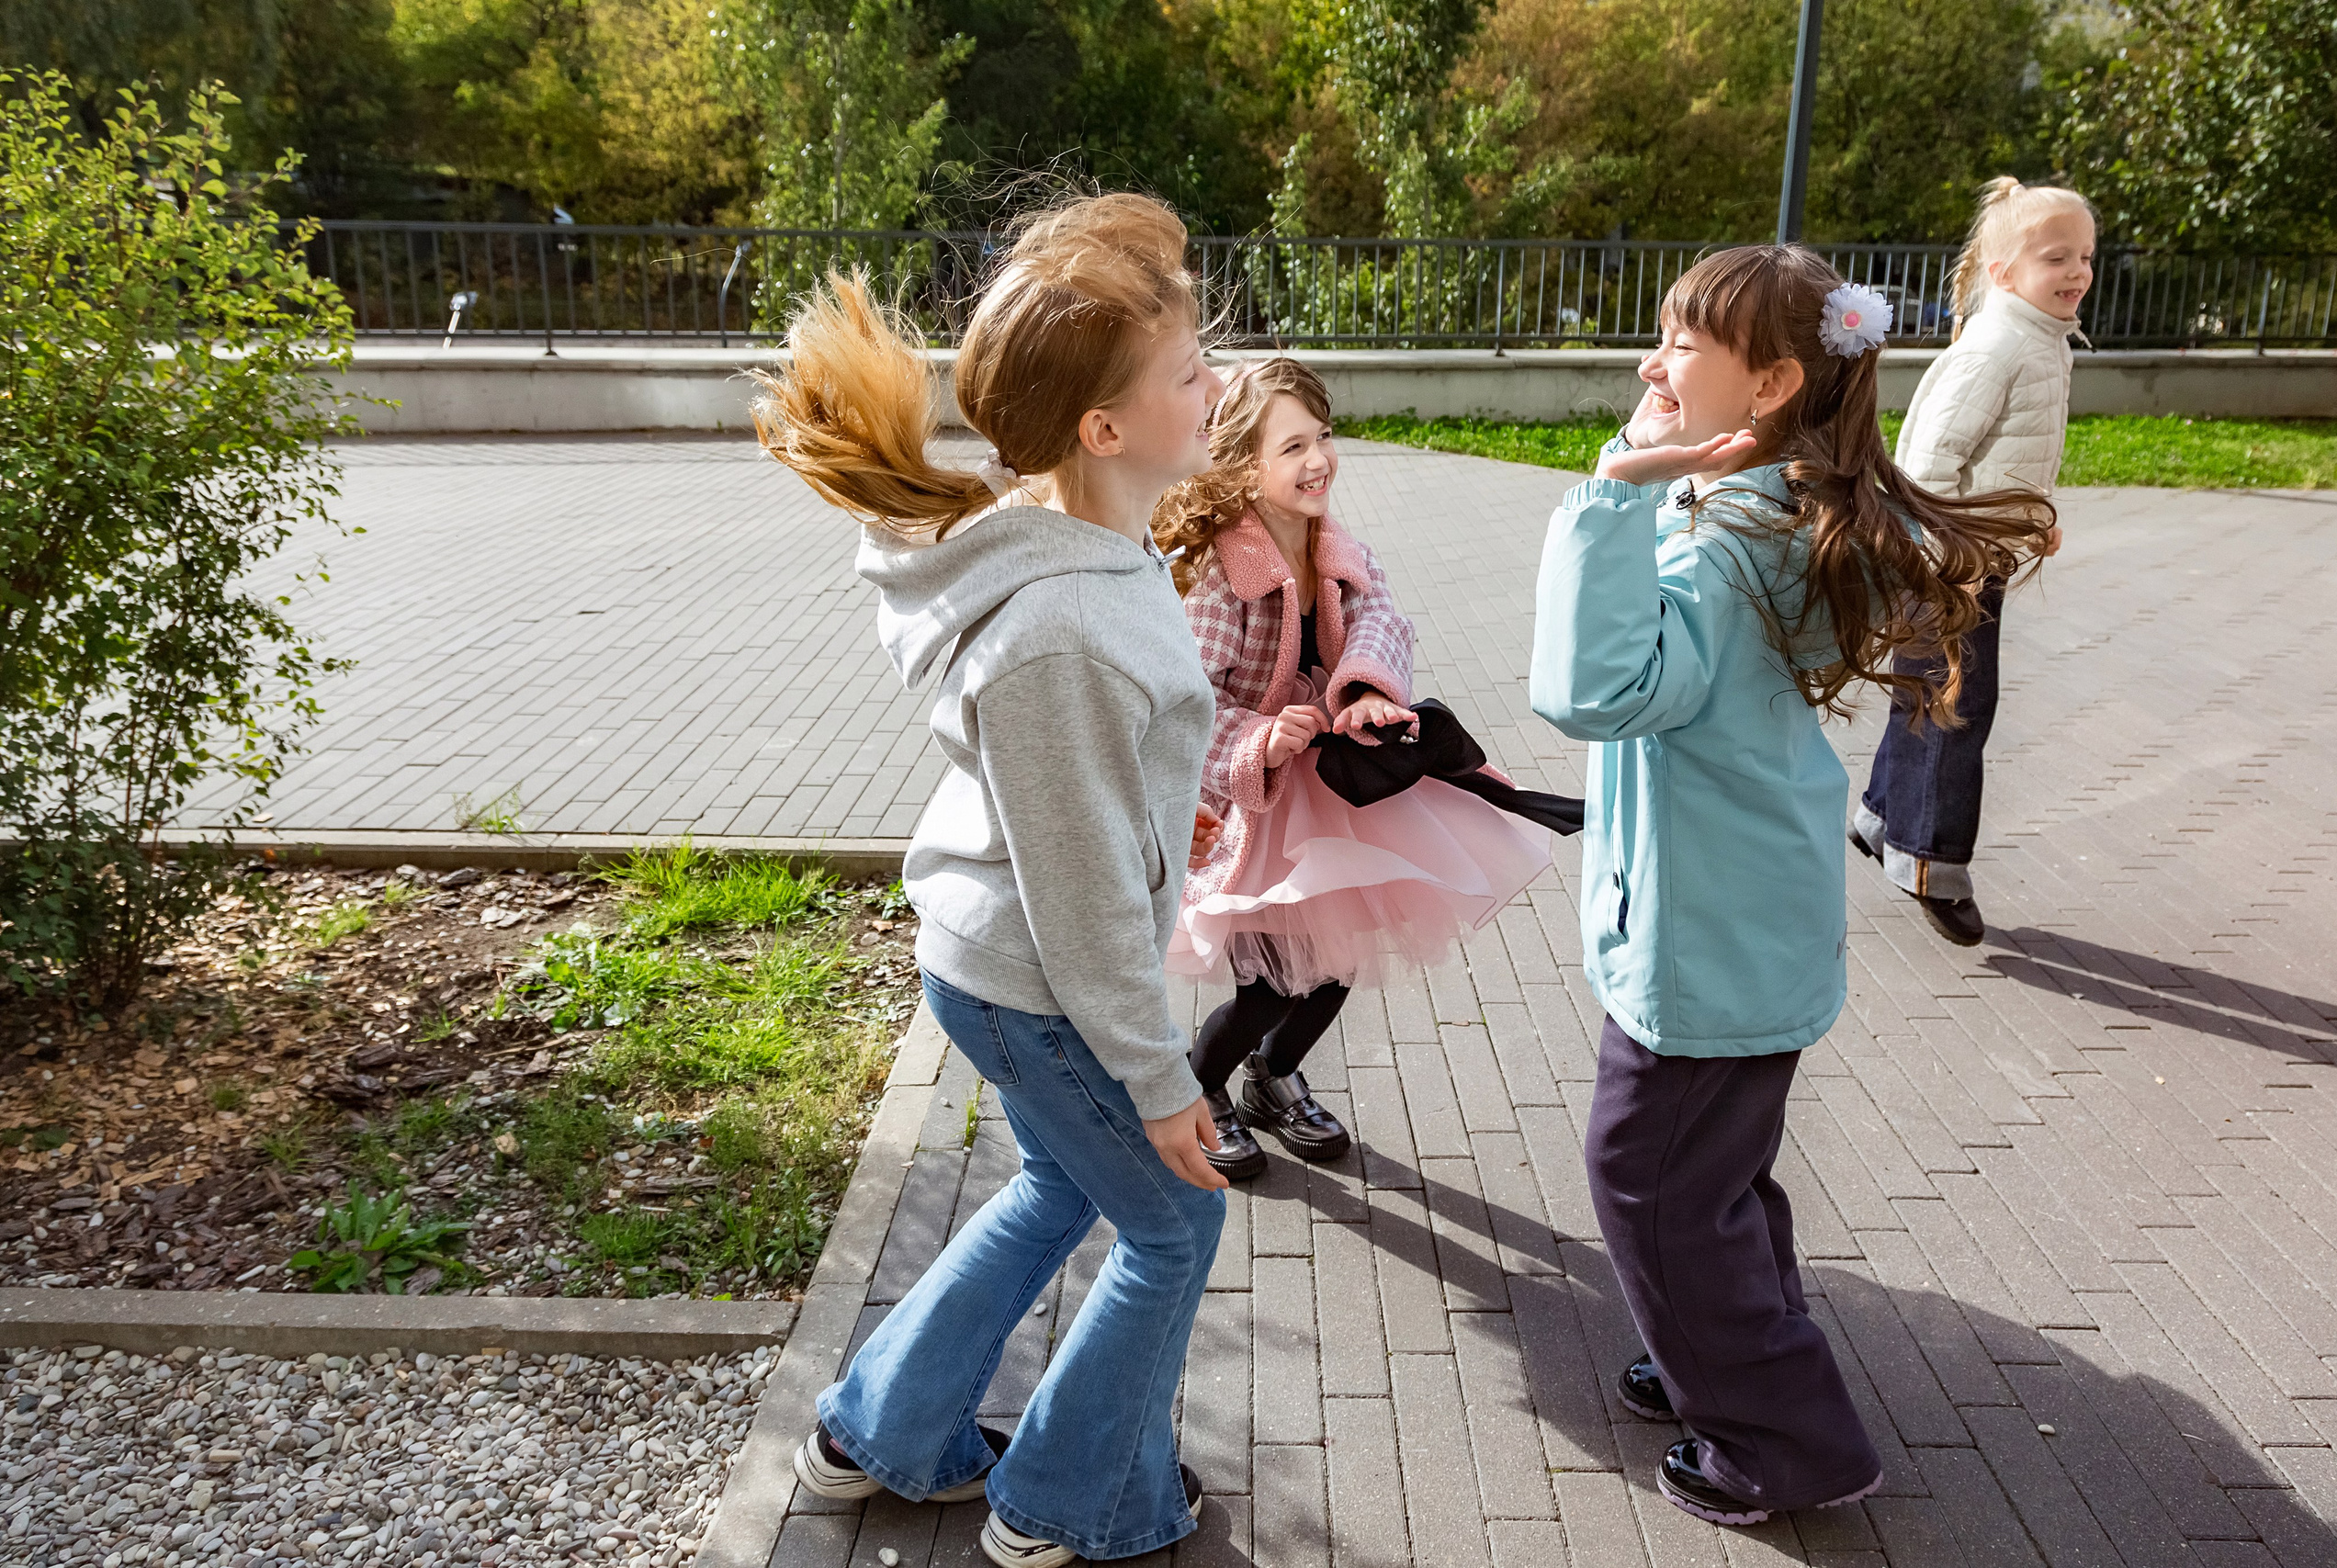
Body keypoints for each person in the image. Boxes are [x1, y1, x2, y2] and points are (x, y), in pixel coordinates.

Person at [1530, 245, 2055, 1527]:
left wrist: (1607, 493)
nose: (1651, 365)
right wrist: (1661, 466)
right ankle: (1709, 1346)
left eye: (1678, 348)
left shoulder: (1730, 542)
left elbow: (1593, 689)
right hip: (1742, 917)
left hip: (1706, 932)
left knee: (1649, 1177)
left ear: (1766, 385)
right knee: (1717, 1171)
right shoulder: (1773, 504)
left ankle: (1783, 1437)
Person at [751, 192, 1228, 1568]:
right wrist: (1162, 1078)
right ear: (1105, 427)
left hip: (1004, 953)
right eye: (1190, 373)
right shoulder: (1062, 621)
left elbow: (1076, 801)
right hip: (1035, 979)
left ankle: (880, 1435)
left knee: (1060, 1190)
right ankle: (1072, 1502)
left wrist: (1155, 816)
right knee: (1174, 1222)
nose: (1218, 387)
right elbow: (1077, 902)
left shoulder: (1087, 544)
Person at [1156, 358, 1553, 1179]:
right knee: (1270, 982)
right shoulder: (1220, 578)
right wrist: (1261, 738)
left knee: (1339, 958)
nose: (1319, 459)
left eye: (1324, 436)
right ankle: (1202, 1088)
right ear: (1240, 465)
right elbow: (1184, 703)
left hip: (1330, 787)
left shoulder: (1335, 547)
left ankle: (1272, 1074)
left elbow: (1380, 619)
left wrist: (1367, 690)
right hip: (1257, 801)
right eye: (1292, 445)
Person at [1852, 177, 2095, 944]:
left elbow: (2006, 460)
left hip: (1972, 551)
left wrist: (2033, 521)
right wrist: (1942, 555)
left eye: (2086, 256)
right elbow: (1928, 463)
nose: (2077, 272)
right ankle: (1929, 861)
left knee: (1931, 690)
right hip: (1945, 561)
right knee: (1957, 702)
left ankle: (1881, 814)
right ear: (2002, 271)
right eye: (2056, 257)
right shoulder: (1999, 347)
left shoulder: (2040, 339)